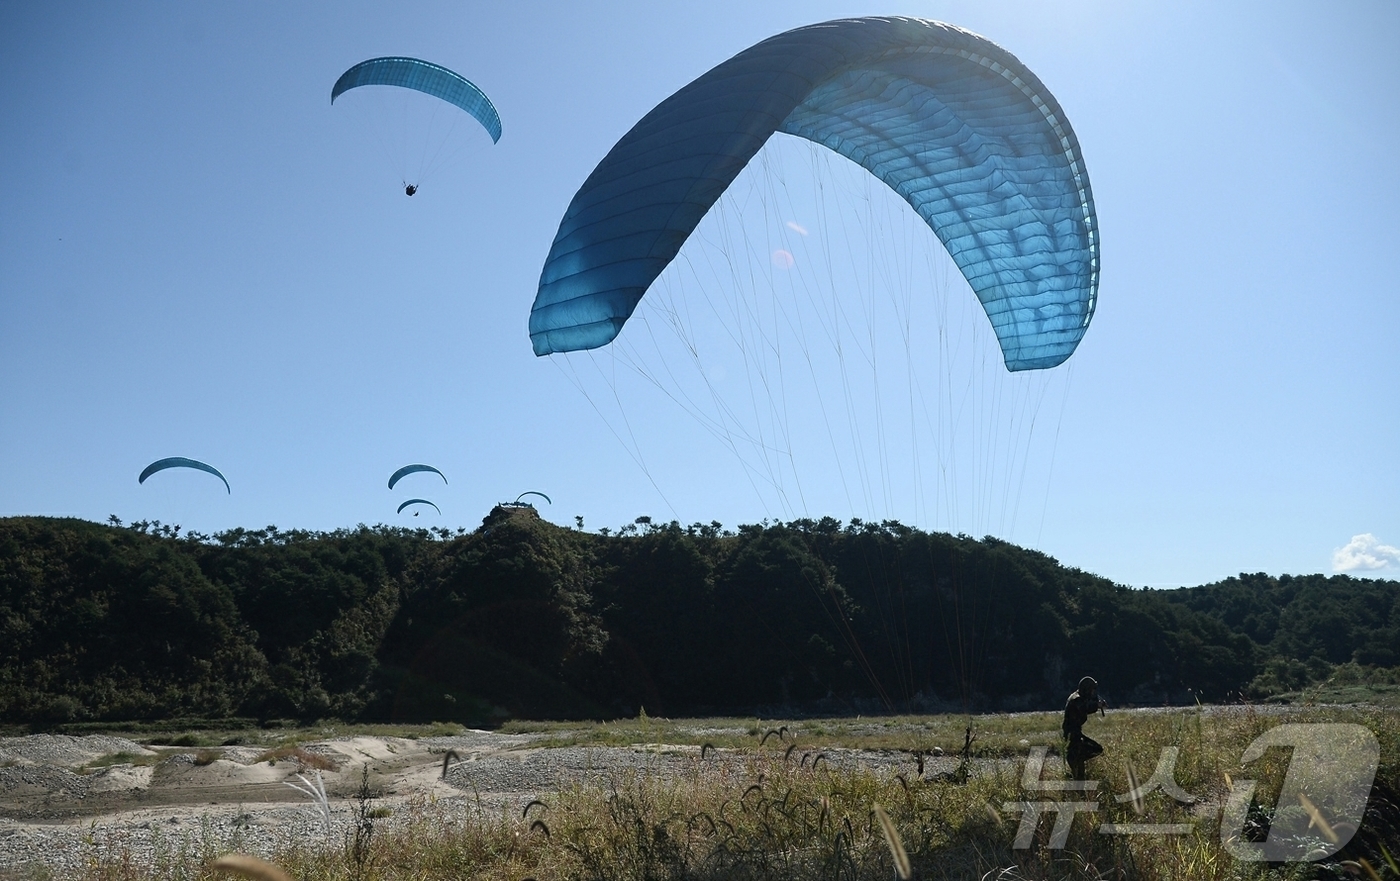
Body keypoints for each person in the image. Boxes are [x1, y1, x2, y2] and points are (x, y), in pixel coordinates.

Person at [1063, 676, 1105, 780]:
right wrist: (1097, 705)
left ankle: (1074, 764)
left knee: (1096, 749)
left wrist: (1096, 704)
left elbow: (1085, 709)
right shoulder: (1076, 699)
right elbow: (1085, 707)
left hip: (1076, 735)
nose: (1092, 692)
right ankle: (1073, 761)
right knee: (1079, 775)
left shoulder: (1079, 697)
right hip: (1072, 737)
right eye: (1091, 690)